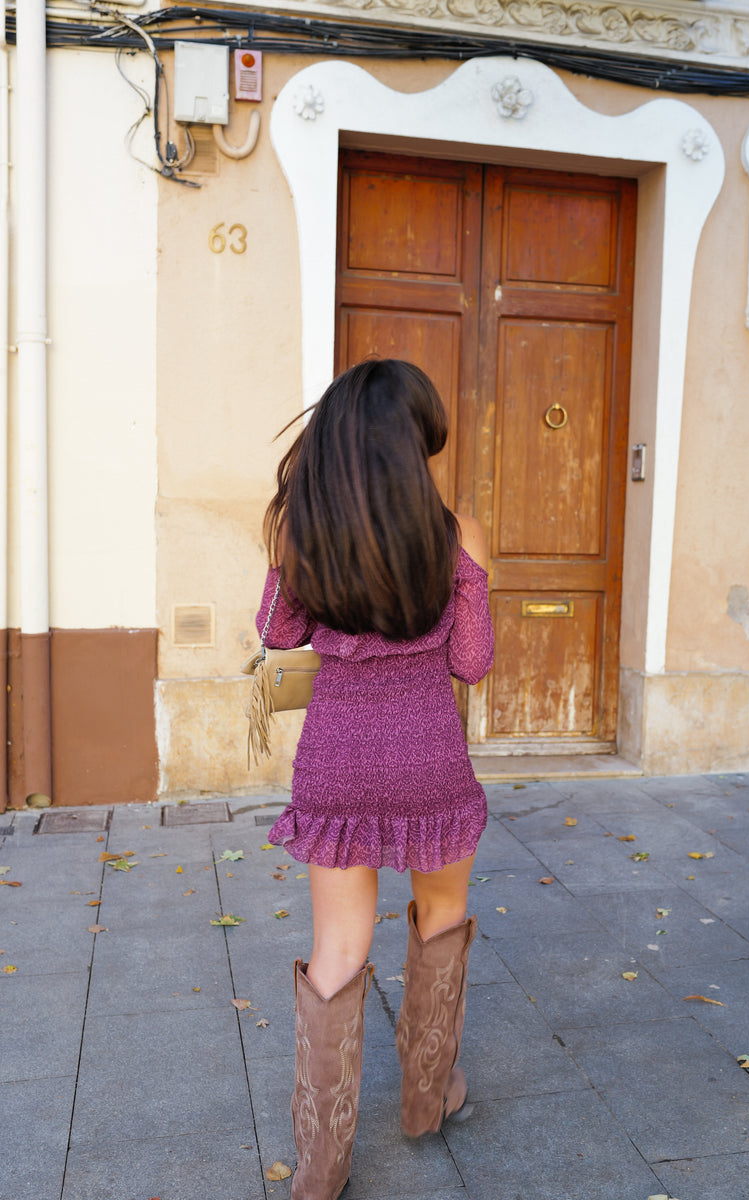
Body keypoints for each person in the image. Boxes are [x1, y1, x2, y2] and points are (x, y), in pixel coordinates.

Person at [256, 358, 494, 1200]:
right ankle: (427, 1102)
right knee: (442, 916)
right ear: (409, 446)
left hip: (338, 760)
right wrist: (470, 570)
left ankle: (320, 1170)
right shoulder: (455, 531)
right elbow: (471, 661)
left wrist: (295, 551)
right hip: (429, 757)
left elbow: (278, 633)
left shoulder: (305, 532)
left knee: (338, 949)